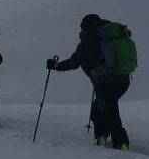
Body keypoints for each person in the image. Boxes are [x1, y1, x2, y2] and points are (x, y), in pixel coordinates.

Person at [47, 14, 131, 150]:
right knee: (102, 109)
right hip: (123, 79)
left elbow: (74, 62)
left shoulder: (89, 39)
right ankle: (105, 138)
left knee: (106, 112)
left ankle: (119, 143)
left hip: (105, 82)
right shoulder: (110, 35)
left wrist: (56, 66)